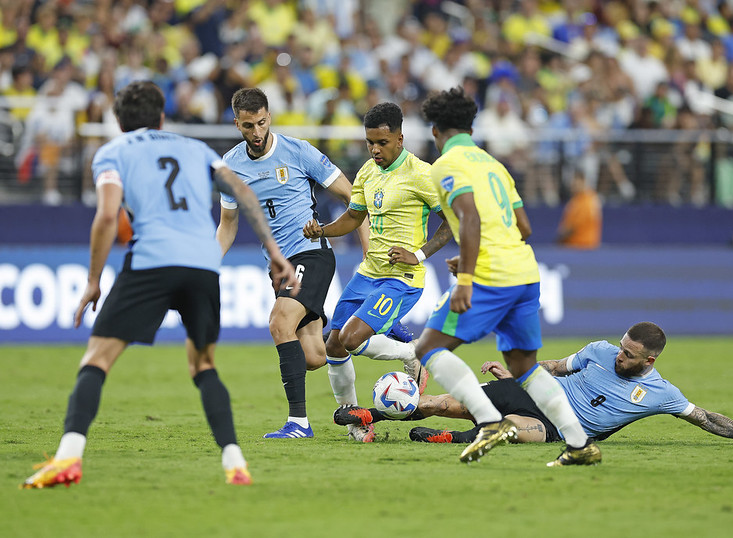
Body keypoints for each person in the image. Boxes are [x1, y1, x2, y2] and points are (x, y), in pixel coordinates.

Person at [21, 81, 299, 489]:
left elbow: (107, 217)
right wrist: (275, 253)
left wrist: (94, 280)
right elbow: (242, 192)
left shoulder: (113, 152)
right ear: (162, 118)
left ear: (119, 122)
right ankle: (235, 464)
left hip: (152, 260)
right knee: (203, 366)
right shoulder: (196, 149)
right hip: (203, 264)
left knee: (96, 359)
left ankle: (67, 458)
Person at [412, 87, 600, 466]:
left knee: (427, 348)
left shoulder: (446, 165)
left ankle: (488, 422)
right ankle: (580, 445)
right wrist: (476, 253)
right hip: (526, 271)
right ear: (471, 128)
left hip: (492, 274)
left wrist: (467, 277)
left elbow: (470, 217)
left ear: (435, 131)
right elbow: (524, 227)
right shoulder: (494, 165)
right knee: (524, 368)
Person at [335, 322, 733, 446]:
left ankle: (445, 439)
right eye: (621, 347)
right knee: (443, 402)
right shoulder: (598, 350)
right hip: (533, 392)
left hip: (559, 425)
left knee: (514, 431)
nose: (619, 355)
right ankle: (368, 414)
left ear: (649, 361)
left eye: (629, 355)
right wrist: (517, 373)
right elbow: (555, 366)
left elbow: (706, 418)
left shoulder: (662, 394)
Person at [216, 87, 367, 440]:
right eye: (249, 126)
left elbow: (353, 197)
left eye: (262, 123)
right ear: (237, 124)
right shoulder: (230, 167)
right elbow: (227, 225)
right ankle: (384, 345)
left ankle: (298, 423)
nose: (257, 132)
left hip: (311, 251)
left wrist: (368, 250)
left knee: (279, 322)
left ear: (269, 117)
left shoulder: (298, 151)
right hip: (279, 267)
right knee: (313, 356)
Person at [303, 102, 452, 442]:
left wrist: (418, 254)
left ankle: (412, 353)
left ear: (400, 138)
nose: (375, 149)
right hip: (368, 273)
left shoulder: (421, 173)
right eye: (370, 142)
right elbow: (354, 218)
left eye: (382, 143)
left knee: (351, 339)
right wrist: (322, 230)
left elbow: (452, 223)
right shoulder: (367, 172)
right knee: (334, 347)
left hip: (401, 279)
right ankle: (355, 423)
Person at [556, 171, 602, 249]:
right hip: (573, 245)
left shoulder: (587, 200)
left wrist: (559, 239)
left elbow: (573, 227)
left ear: (583, 181)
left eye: (575, 183)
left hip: (582, 246)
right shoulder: (575, 200)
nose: (572, 186)